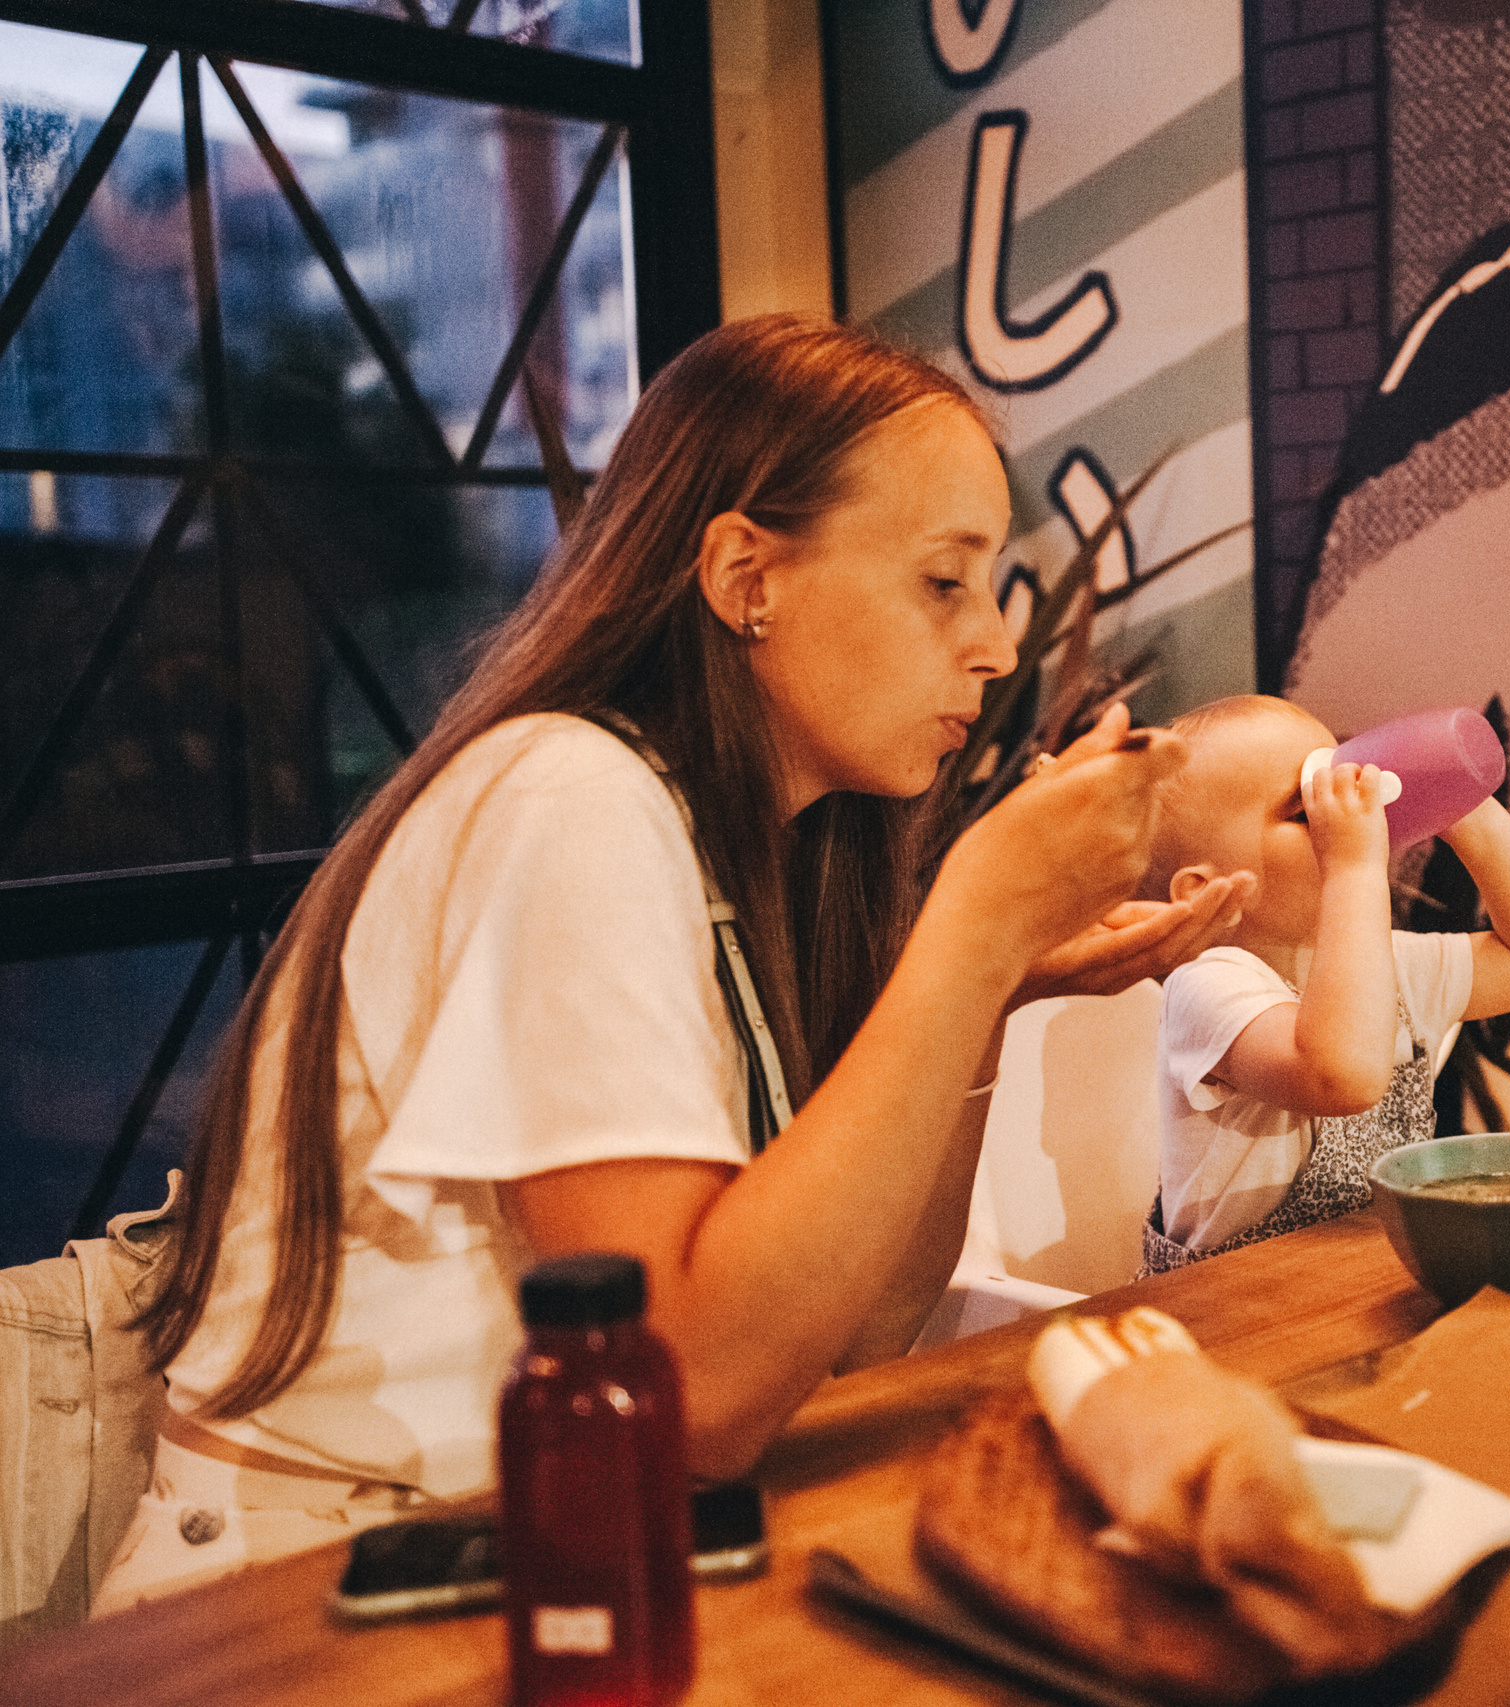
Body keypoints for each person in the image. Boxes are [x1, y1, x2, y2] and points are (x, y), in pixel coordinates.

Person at [97, 314, 1252, 1610]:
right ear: (745, 576)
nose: (991, 642)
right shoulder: (570, 798)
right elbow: (685, 1397)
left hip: (528, 1548)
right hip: (307, 1591)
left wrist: (993, 986)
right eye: (945, 579)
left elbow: (857, 1328)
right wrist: (973, 924)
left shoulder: (720, 848)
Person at [1136, 696, 1510, 1271]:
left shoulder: (1385, 964)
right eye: (1307, 810)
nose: (1352, 815)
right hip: (1233, 1308)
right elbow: (1341, 1076)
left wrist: (1465, 812)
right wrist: (1353, 868)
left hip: (1367, 1276)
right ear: (1207, 891)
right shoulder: (1208, 988)